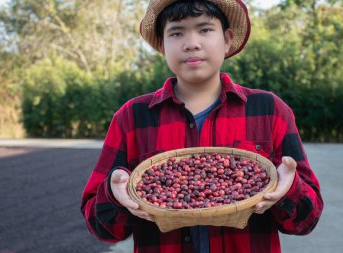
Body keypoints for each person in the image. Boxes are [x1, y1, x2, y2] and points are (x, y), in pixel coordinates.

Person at [81, 0, 323, 252]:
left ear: (227, 39)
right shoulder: (132, 117)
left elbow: (307, 220)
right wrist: (114, 192)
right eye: (176, 33)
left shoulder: (269, 110)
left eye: (205, 29)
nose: (192, 43)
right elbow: (100, 226)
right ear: (162, 45)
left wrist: (287, 189)